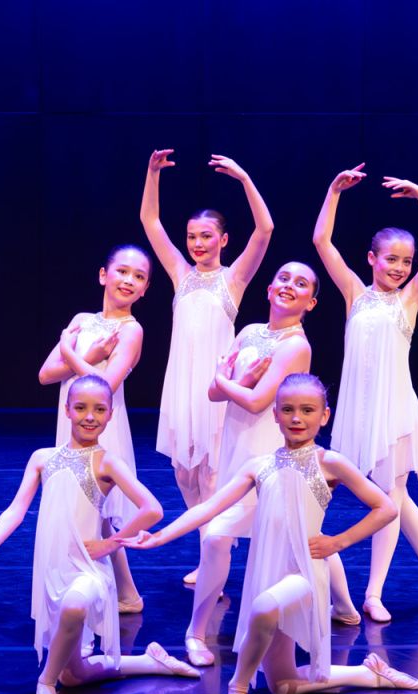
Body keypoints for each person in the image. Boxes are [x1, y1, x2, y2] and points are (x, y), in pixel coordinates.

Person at [122, 373, 418, 694]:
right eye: (289, 410)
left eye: (308, 410)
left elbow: (385, 508)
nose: (297, 418)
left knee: (263, 608)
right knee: (282, 684)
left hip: (304, 572)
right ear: (275, 415)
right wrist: (159, 537)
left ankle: (238, 688)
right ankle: (369, 674)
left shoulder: (329, 462)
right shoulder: (259, 466)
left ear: (324, 416)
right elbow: (208, 508)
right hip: (267, 570)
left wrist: (338, 541)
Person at [0, 375, 199, 694]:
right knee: (75, 675)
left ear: (111, 414)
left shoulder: (108, 462)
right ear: (66, 410)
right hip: (54, 570)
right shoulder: (42, 457)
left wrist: (109, 544)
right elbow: (15, 510)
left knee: (76, 605)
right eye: (80, 407)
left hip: (89, 569)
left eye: (99, 409)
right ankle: (149, 662)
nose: (90, 416)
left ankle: (45, 684)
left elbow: (152, 508)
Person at [184, 262, 359, 668]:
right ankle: (195, 632)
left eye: (300, 284)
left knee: (296, 539)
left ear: (311, 302)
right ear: (268, 288)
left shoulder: (297, 346)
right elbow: (215, 393)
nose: (289, 286)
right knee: (221, 539)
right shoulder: (248, 332)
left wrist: (230, 380)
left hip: (275, 461)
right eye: (283, 278)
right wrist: (233, 382)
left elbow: (259, 400)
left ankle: (347, 607)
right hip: (237, 456)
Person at [312, 164, 418, 622]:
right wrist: (334, 192)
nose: (398, 267)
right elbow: (322, 242)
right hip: (359, 411)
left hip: (395, 409)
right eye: (390, 258)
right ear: (372, 258)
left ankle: (373, 593)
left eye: (404, 261)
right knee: (395, 497)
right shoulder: (354, 293)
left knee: (390, 498)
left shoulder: (409, 300)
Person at [141, 151, 274, 585]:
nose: (197, 244)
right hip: (181, 389)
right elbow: (150, 223)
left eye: (206, 236)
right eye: (192, 237)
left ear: (223, 240)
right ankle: (211, 548)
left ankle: (213, 563)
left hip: (217, 390)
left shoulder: (232, 280)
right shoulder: (181, 275)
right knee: (185, 472)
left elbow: (265, 229)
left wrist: (243, 177)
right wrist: (152, 174)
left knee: (215, 477)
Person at [38, 246, 152, 614]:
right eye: (122, 271)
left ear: (145, 289)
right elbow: (45, 374)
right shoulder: (82, 319)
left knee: (97, 509)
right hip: (71, 421)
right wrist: (82, 355)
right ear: (104, 275)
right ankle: (122, 592)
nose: (128, 280)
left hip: (102, 426)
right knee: (88, 512)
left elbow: (105, 384)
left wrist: (70, 353)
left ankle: (119, 592)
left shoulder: (131, 331)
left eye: (138, 276)